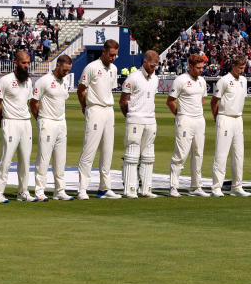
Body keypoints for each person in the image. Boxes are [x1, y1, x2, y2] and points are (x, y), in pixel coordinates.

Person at [77, 39, 121, 199]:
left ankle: (104, 188)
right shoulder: (92, 67)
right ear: (104, 51)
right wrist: (85, 107)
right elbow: (81, 90)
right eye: (111, 55)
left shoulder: (114, 68)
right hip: (94, 108)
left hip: (109, 110)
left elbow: (109, 90)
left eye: (115, 55)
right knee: (89, 149)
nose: (113, 58)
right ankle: (82, 188)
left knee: (107, 150)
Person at [0, 50, 34, 203]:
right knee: (6, 158)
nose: (26, 66)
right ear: (15, 63)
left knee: (25, 159)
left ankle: (23, 192)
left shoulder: (28, 81)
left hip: (25, 122)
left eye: (28, 63)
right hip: (10, 122)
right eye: (24, 63)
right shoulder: (5, 80)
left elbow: (28, 102)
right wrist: (2, 119)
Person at [31, 54, 74, 202]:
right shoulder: (44, 81)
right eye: (65, 70)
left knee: (60, 159)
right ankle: (40, 191)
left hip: (61, 122)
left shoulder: (64, 81)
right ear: (58, 66)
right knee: (43, 158)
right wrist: (41, 119)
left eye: (69, 70)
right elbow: (33, 102)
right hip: (47, 122)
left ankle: (59, 191)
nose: (66, 73)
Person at [167, 53, 209, 197]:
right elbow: (170, 101)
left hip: (199, 120)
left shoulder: (202, 81)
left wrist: (196, 111)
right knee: (181, 154)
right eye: (198, 68)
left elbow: (202, 99)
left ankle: (196, 187)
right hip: (185, 120)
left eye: (202, 67)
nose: (201, 70)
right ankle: (173, 186)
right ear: (190, 66)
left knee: (198, 154)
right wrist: (180, 115)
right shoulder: (181, 80)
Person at [119, 50, 160, 199]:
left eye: (155, 66)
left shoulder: (155, 78)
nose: (153, 68)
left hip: (150, 120)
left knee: (148, 155)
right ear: (144, 62)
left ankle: (146, 189)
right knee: (132, 155)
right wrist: (130, 116)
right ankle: (130, 190)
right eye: (151, 65)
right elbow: (123, 101)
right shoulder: (133, 77)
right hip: (135, 119)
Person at [210, 56, 250, 197]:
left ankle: (237, 186)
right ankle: (216, 187)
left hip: (238, 119)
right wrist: (218, 119)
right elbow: (214, 102)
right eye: (239, 67)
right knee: (221, 154)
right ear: (233, 66)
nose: (241, 70)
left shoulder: (244, 81)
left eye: (243, 67)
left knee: (239, 155)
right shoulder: (224, 80)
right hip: (225, 117)